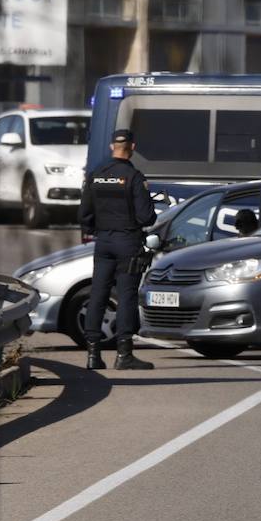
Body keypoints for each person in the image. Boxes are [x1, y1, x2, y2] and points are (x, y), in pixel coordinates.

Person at [78, 128, 156, 370]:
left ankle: (93, 355)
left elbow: (84, 215)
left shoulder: (96, 174)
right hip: (127, 242)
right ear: (132, 147)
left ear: (113, 146)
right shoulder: (133, 177)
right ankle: (124, 355)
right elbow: (146, 217)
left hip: (103, 242)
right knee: (126, 298)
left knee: (98, 295)